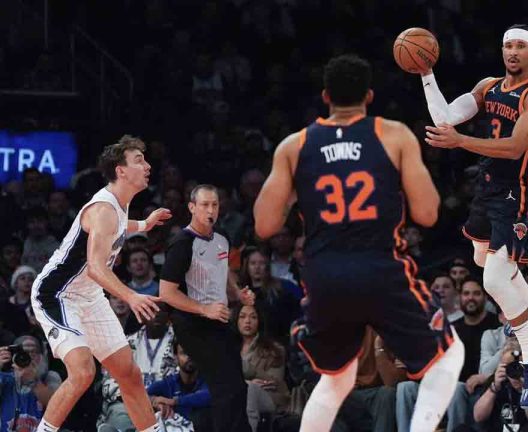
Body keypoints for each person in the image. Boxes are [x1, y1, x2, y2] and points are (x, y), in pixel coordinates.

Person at [254, 54, 465, 432]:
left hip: (324, 276)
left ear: (324, 96)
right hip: (379, 267)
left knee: (335, 378)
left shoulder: (294, 145)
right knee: (449, 356)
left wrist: (299, 190)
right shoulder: (393, 134)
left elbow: (265, 225)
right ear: (369, 96)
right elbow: (429, 214)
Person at [417, 23, 528, 408]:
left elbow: (514, 148)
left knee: (494, 278)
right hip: (486, 186)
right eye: (507, 45)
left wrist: (460, 141)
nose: (512, 52)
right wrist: (426, 73)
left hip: (517, 192)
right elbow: (445, 116)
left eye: (520, 46)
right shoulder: (488, 86)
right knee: (481, 260)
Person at [30, 135, 171, 432]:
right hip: (58, 295)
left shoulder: (118, 206)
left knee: (128, 373)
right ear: (121, 171)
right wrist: (131, 295)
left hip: (89, 296)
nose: (147, 165)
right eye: (138, 160)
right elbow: (95, 267)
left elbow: (120, 227)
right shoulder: (103, 209)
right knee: (83, 372)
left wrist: (144, 225)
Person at [159, 184, 254, 432]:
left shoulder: (221, 237)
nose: (210, 209)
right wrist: (204, 309)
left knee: (238, 387)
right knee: (226, 388)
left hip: (218, 319)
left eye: (214, 204)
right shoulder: (182, 243)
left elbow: (224, 270)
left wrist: (237, 292)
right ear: (192, 207)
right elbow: (166, 293)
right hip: (192, 324)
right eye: (204, 205)